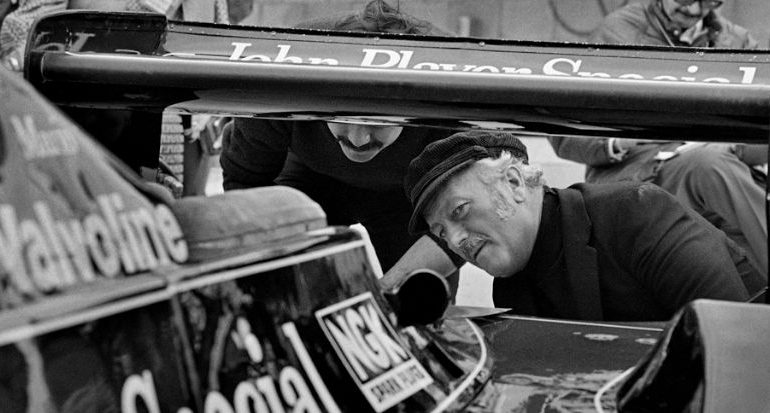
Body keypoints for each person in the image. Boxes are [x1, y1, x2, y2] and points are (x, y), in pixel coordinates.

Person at [404, 131, 764, 321]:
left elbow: (734, 345)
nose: (455, 240)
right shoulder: (512, 293)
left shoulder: (635, 215)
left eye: (460, 211)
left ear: (514, 183)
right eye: (441, 234)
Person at [221, 0, 462, 280]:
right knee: (285, 289)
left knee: (419, 303)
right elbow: (245, 183)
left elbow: (473, 214)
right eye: (341, 117)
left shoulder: (453, 87)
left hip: (410, 195)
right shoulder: (282, 76)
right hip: (308, 179)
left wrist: (386, 292)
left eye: (378, 121)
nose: (359, 140)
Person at [550, 0, 767, 276]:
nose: (693, 10)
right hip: (637, 175)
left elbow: (762, 120)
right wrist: (619, 140)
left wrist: (732, 140)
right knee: (709, 165)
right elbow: (565, 129)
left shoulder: (736, 40)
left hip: (719, 171)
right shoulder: (620, 32)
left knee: (746, 256)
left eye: (709, 2)